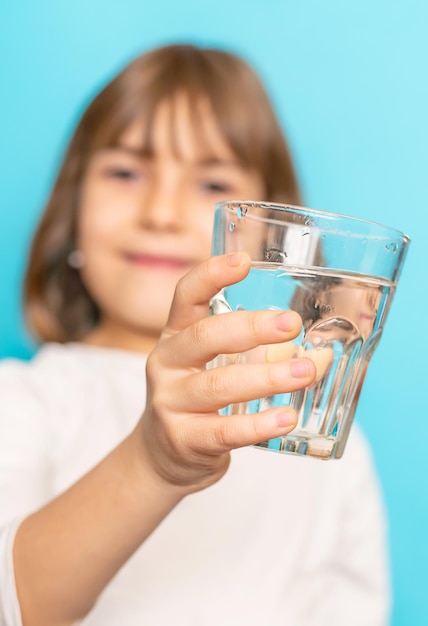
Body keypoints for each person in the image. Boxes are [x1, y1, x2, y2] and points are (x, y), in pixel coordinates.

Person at [0, 44, 390, 626]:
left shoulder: (326, 439)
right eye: (126, 171)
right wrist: (153, 464)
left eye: (211, 183)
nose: (161, 211)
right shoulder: (23, 400)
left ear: (275, 241)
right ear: (71, 211)